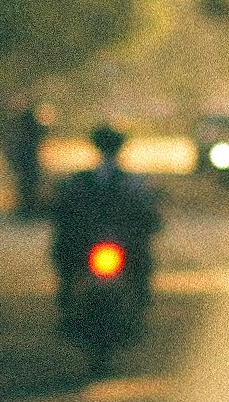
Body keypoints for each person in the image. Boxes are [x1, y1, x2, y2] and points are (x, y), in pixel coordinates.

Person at [45, 122, 161, 286]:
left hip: (102, 241)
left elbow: (62, 210)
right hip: (105, 241)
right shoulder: (133, 182)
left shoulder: (79, 180)